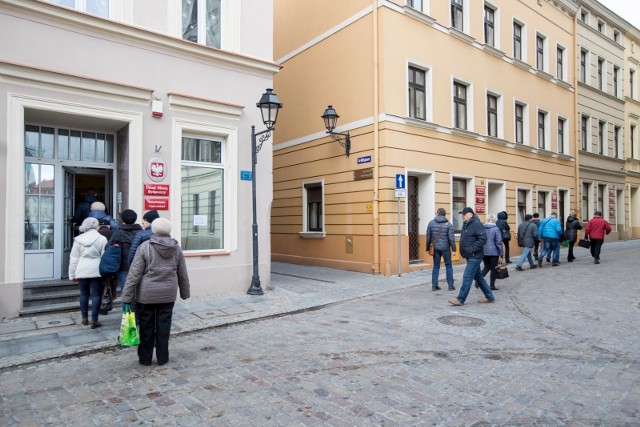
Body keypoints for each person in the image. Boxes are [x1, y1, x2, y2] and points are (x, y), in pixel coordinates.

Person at [121, 218, 190, 366]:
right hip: (168, 293)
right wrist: (185, 292)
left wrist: (126, 295)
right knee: (164, 327)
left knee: (146, 327)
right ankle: (162, 357)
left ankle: (145, 358)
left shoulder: (145, 247)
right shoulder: (176, 248)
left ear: (153, 230)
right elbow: (182, 272)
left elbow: (134, 274)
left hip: (147, 294)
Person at [449, 207, 495, 306]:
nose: (462, 217)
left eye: (464, 215)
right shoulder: (466, 224)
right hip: (470, 255)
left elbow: (483, 239)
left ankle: (460, 299)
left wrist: (472, 249)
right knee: (479, 278)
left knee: (467, 277)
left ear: (470, 214)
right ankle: (490, 296)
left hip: (475, 256)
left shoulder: (476, 224)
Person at [68, 217, 107, 328]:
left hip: (82, 268)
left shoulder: (78, 239)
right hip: (96, 268)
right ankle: (94, 319)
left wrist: (72, 274)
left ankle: (84, 318)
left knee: (84, 293)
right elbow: (104, 256)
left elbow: (74, 258)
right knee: (96, 294)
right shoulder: (101, 238)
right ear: (96, 226)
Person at [426, 208, 457, 291]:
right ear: (444, 214)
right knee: (448, 266)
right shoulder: (448, 224)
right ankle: (450, 286)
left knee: (436, 266)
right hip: (446, 248)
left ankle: (434, 285)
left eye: (436, 213)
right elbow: (451, 238)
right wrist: (454, 249)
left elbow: (428, 237)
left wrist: (427, 247)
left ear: (438, 213)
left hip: (435, 248)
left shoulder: (431, 223)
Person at [117, 209, 143, 292]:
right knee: (139, 291)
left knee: (125, 292)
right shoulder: (142, 233)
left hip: (123, 266)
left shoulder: (118, 232)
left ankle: (126, 305)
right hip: (140, 265)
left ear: (122, 219)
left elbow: (109, 247)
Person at [479, 213, 503, 291]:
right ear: (494, 220)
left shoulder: (482, 228)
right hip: (494, 252)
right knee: (493, 269)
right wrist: (500, 253)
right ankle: (492, 286)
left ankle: (478, 281)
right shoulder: (496, 229)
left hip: (484, 251)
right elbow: (498, 242)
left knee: (486, 267)